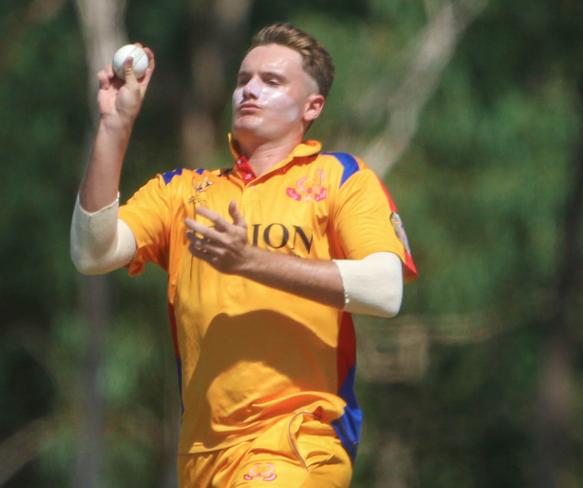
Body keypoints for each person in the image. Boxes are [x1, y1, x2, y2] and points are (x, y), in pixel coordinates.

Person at [71, 23, 417, 487]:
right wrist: (114, 128)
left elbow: (386, 289)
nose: (250, 90)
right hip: (201, 457)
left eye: (271, 82)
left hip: (297, 441)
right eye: (243, 79)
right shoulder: (181, 191)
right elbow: (91, 252)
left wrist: (251, 261)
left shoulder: (341, 178)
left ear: (312, 106)